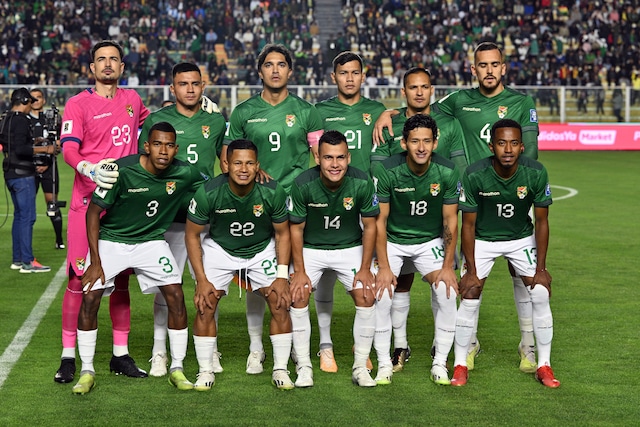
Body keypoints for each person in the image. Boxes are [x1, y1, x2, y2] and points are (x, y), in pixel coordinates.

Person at [374, 42, 540, 373]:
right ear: (473, 69)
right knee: (470, 274)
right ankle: (470, 341)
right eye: (483, 65)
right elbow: (419, 108)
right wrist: (388, 112)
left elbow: (531, 153)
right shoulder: (458, 102)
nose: (489, 70)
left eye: (495, 64)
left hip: (514, 195)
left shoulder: (522, 103)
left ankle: (528, 345)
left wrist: (522, 191)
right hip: (476, 200)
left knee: (522, 274)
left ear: (504, 68)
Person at [72, 121, 204, 394]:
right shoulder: (123, 170)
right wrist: (96, 262)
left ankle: (176, 367)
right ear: (146, 146)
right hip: (112, 240)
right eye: (157, 144)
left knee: (176, 295)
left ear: (176, 148)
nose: (163, 151)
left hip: (151, 242)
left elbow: (214, 184)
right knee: (90, 296)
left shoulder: (185, 172)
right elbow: (93, 213)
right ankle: (86, 370)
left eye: (169, 145)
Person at [223, 43, 323, 375]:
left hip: (297, 203)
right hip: (256, 202)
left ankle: (298, 350)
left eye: (282, 64)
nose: (276, 70)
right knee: (255, 276)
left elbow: (322, 159)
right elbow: (227, 160)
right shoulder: (243, 112)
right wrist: (250, 174)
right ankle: (256, 349)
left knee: (295, 277)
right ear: (260, 70)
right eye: (269, 64)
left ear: (290, 71)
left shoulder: (307, 111)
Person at [56, 40, 151, 384]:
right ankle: (69, 357)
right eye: (101, 60)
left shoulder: (132, 100)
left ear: (122, 68)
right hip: (87, 205)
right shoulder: (77, 104)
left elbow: (154, 127)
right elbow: (68, 149)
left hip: (123, 207)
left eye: (114, 59)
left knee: (121, 281)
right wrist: (88, 168)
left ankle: (120, 355)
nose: (108, 65)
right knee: (80, 281)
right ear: (92, 68)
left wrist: (195, 106)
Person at [371, 67, 467, 373]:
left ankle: (440, 362)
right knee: (383, 292)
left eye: (427, 141)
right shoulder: (388, 170)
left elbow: (451, 222)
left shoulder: (448, 172)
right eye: (415, 141)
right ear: (404, 143)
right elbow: (380, 221)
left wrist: (449, 266)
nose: (422, 147)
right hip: (395, 240)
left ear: (436, 143)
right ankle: (386, 362)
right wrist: (384, 266)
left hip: (429, 242)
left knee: (447, 291)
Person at [452, 119, 559, 388]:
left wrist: (541, 269)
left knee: (541, 292)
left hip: (520, 239)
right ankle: (460, 364)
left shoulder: (535, 172)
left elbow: (542, 221)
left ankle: (543, 365)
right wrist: (472, 270)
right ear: (491, 146)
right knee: (470, 293)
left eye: (513, 143)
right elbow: (468, 224)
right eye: (501, 143)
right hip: (482, 240)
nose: (507, 149)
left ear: (522, 146)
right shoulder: (475, 174)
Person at [139, 62, 227, 377]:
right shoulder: (157, 121)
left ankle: (210, 349)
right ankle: (159, 352)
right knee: (168, 288)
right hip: (169, 220)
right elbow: (144, 167)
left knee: (210, 287)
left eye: (194, 83)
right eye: (182, 84)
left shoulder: (216, 122)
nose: (189, 89)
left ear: (203, 86)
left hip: (206, 220)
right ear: (172, 88)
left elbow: (227, 163)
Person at [184, 139, 294, 390]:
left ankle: (280, 368)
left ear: (258, 166)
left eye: (249, 163)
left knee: (279, 300)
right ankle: (204, 370)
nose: (243, 169)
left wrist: (281, 275)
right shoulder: (209, 191)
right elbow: (191, 235)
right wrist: (201, 280)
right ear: (225, 164)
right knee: (205, 303)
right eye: (237, 163)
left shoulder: (272, 190)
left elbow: (283, 234)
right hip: (220, 249)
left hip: (261, 249)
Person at [288, 130, 381, 387]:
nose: (335, 164)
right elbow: (295, 229)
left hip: (349, 247)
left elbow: (371, 226)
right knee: (297, 294)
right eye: (328, 158)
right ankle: (304, 366)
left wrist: (364, 268)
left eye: (340, 157)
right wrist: (299, 271)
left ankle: (360, 366)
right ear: (318, 158)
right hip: (311, 248)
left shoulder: (361, 182)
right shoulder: (303, 183)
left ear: (348, 157)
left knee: (366, 294)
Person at [312, 51, 386, 373]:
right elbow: (313, 154)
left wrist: (391, 112)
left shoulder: (377, 110)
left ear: (363, 75)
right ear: (334, 77)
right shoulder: (320, 113)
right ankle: (325, 345)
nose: (350, 78)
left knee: (363, 277)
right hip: (329, 197)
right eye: (343, 73)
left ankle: (362, 344)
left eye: (355, 72)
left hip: (363, 198)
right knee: (324, 274)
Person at [1, 87, 53, 273]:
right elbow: (22, 149)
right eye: (29, 101)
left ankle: (17, 259)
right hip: (23, 174)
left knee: (19, 216)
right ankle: (27, 261)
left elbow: (11, 144)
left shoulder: (6, 118)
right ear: (23, 101)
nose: (31, 105)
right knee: (27, 217)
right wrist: (44, 150)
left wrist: (35, 142)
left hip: (10, 173)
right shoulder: (22, 120)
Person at [30, 88, 65, 250]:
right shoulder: (24, 120)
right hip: (29, 168)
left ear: (44, 100)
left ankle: (59, 239)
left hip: (49, 166)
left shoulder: (53, 118)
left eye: (39, 97)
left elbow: (62, 140)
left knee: (52, 204)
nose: (36, 100)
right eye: (33, 98)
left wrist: (55, 148)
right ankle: (26, 242)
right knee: (28, 206)